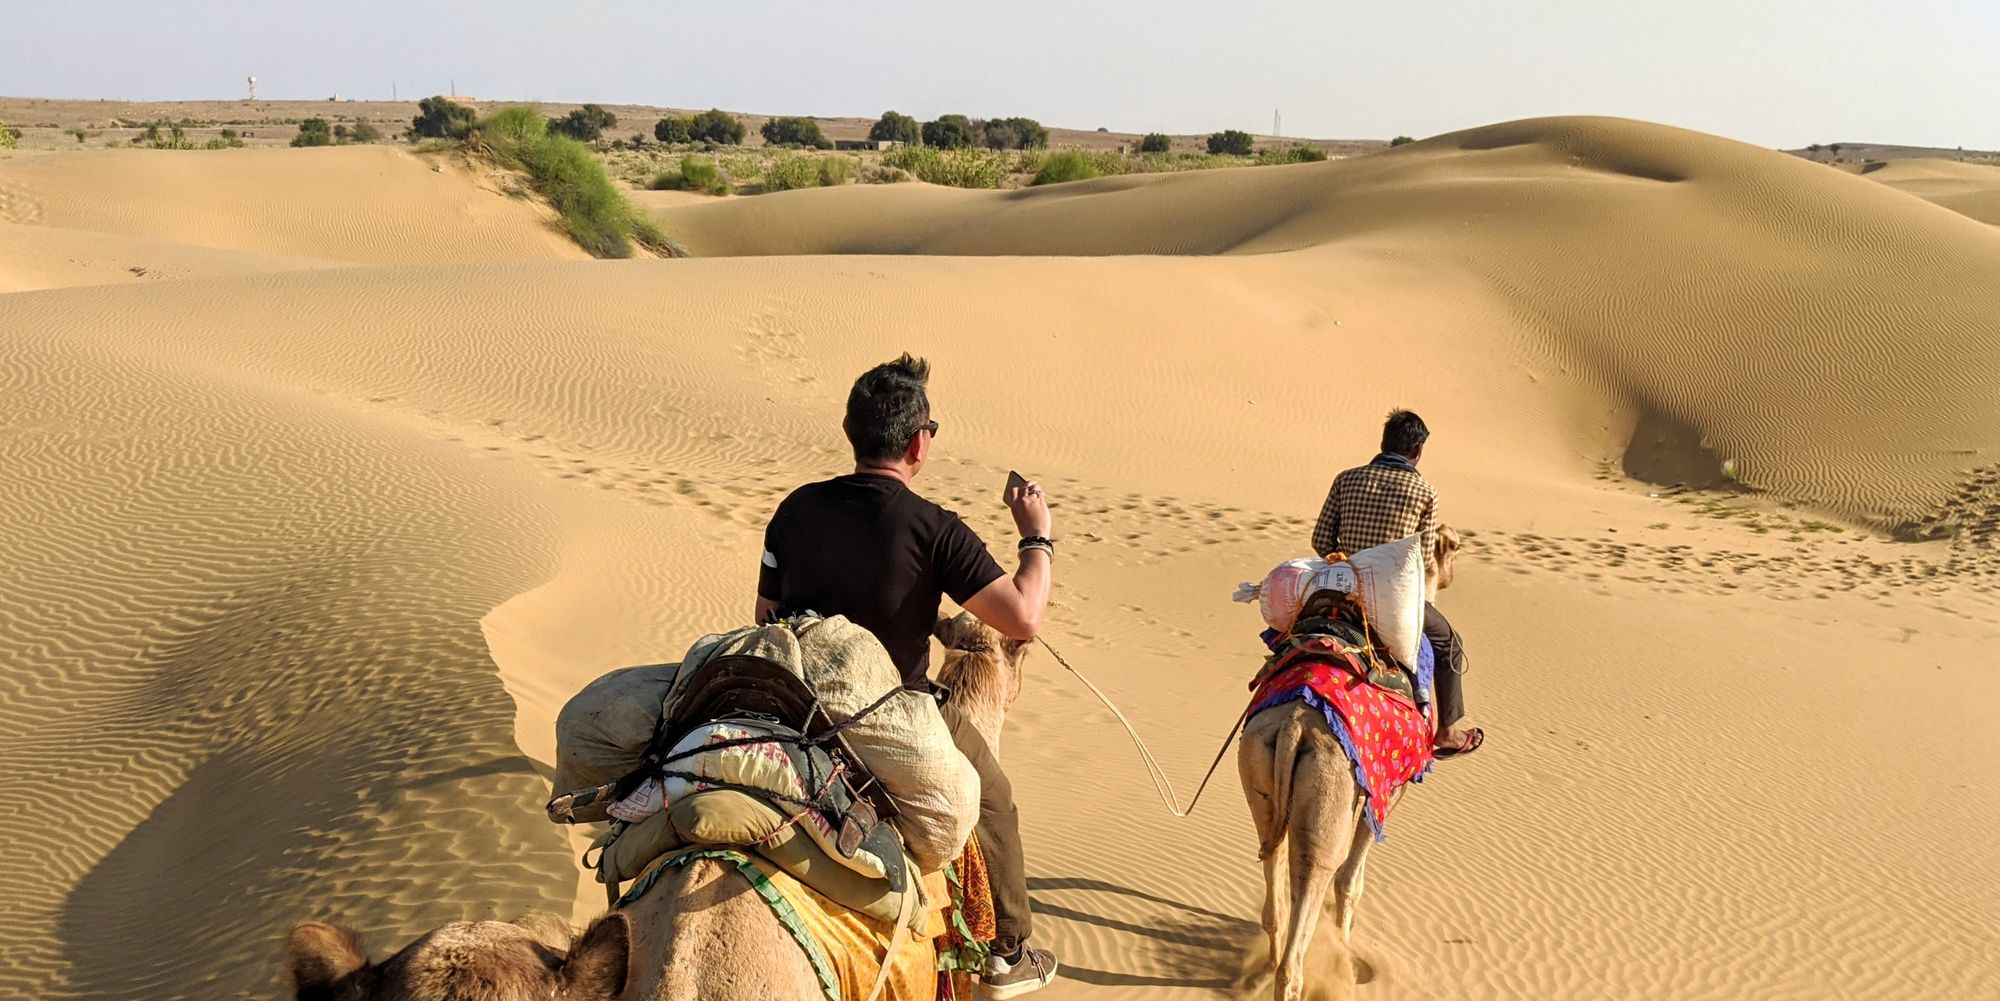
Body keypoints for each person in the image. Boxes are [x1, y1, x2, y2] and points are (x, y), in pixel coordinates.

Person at [755, 353, 1058, 998]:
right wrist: (1037, 538)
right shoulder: (933, 529)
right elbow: (1023, 620)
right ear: (920, 441)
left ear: (849, 432)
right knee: (994, 799)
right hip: (893, 707)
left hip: (795, 699)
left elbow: (764, 616)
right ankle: (1010, 949)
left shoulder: (795, 509)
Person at [1309, 409, 1484, 759]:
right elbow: (1419, 557)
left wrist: (1351, 564)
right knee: (1450, 642)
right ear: (1417, 450)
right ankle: (1447, 732)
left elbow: (1320, 540)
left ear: (1383, 443)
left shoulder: (1346, 479)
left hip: (1340, 588)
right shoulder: (1424, 491)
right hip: (1391, 597)